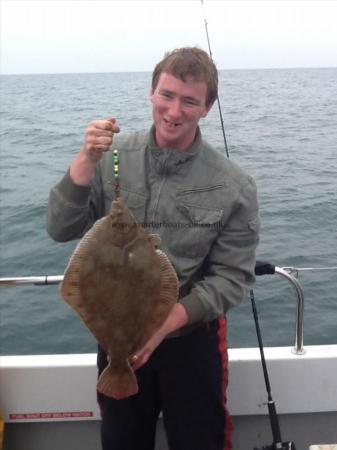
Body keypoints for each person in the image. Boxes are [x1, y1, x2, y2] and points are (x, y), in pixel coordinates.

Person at [47, 47, 260, 450]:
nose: (174, 111)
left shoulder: (235, 185)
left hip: (191, 341)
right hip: (118, 336)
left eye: (189, 100)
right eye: (166, 95)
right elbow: (60, 229)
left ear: (207, 107)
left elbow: (232, 278)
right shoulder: (110, 158)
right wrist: (85, 159)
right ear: (151, 92)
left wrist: (167, 322)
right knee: (121, 441)